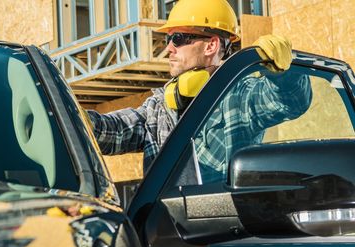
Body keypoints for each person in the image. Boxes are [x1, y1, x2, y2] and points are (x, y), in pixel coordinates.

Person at [87, 0, 311, 178]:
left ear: (211, 45)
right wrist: (63, 113)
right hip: (164, 229)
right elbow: (109, 132)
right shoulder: (158, 109)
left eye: (178, 38)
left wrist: (284, 75)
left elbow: (291, 101)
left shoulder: (239, 95)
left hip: (219, 228)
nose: (168, 48)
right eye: (168, 38)